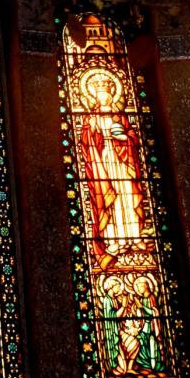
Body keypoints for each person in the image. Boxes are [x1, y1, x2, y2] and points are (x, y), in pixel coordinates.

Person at [78, 73, 146, 269]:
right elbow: (86, 142)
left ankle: (133, 236)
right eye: (101, 95)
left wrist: (125, 138)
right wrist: (91, 131)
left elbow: (132, 135)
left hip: (122, 160)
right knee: (110, 199)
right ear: (95, 98)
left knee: (126, 195)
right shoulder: (91, 118)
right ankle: (113, 240)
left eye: (107, 94)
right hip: (104, 160)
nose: (104, 98)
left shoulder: (120, 116)